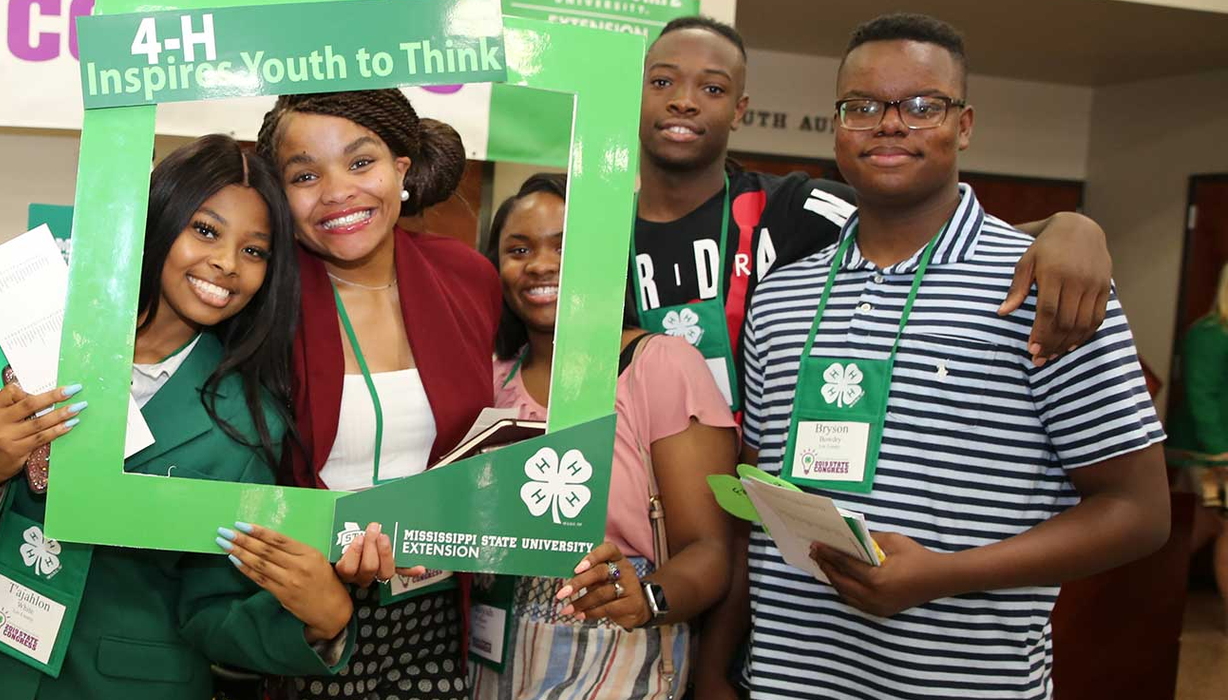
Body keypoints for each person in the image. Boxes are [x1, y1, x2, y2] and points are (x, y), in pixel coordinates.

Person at [629, 18, 1124, 696]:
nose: (890, 124)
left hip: (962, 682)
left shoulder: (1043, 288)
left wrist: (946, 574)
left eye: (922, 105)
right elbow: (759, 503)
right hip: (787, 677)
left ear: (966, 123)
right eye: (863, 106)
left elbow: (1136, 509)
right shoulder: (783, 296)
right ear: (836, 123)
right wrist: (720, 666)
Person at [0, 134, 352, 699]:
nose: (225, 263)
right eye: (206, 230)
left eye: (254, 250)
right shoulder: (35, 333)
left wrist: (322, 627)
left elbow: (212, 608)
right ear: (159, 220)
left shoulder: (248, 423)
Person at [254, 88, 498, 700]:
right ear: (280, 195)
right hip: (304, 613)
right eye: (305, 174)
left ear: (402, 170)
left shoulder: (466, 277)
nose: (337, 191)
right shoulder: (261, 294)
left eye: (361, 163)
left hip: (436, 616)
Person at [467, 173, 737, 699]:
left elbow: (710, 551)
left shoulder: (659, 366)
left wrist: (647, 600)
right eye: (518, 249)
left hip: (618, 650)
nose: (540, 265)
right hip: (490, 653)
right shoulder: (491, 375)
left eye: (564, 247)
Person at [1171, 263, 1228, 627]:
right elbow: (1201, 395)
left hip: (1217, 453)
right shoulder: (1209, 334)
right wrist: (1220, 453)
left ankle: (1143, 586)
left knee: (1206, 523)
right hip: (1210, 456)